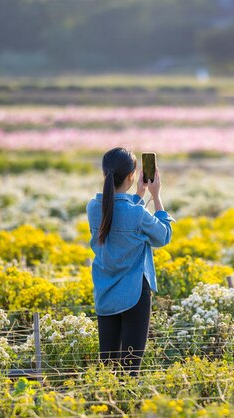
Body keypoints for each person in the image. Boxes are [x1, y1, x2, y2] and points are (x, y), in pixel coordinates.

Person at [86, 147, 173, 376]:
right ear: (131, 176)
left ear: (105, 173)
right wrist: (155, 196)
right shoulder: (137, 214)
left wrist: (138, 196)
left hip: (105, 293)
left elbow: (118, 215)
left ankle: (105, 405)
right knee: (130, 367)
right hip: (135, 294)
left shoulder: (93, 208)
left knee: (107, 365)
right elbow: (163, 235)